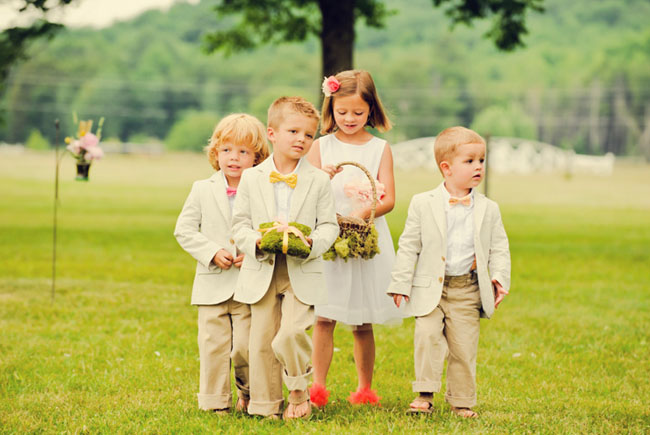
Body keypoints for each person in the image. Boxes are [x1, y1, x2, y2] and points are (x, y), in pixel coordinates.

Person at [387, 126, 511, 418]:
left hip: (467, 288)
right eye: (470, 161)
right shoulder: (423, 203)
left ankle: (461, 400)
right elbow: (409, 246)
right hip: (430, 287)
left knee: (463, 346)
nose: (478, 166)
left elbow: (499, 247)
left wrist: (499, 277)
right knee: (426, 336)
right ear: (446, 168)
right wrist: (400, 282)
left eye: (481, 160)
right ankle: (424, 394)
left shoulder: (488, 208)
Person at [231, 96, 339, 420]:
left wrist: (311, 243)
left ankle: (298, 390)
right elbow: (239, 225)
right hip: (263, 266)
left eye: (308, 134)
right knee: (261, 341)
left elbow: (329, 226)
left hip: (300, 269)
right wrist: (256, 241)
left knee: (291, 333)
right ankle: (265, 405)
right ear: (272, 133)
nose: (301, 139)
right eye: (293, 131)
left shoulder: (319, 180)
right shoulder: (251, 177)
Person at [306, 70, 403, 407]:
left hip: (365, 242)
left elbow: (389, 198)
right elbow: (305, 191)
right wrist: (320, 177)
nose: (349, 119)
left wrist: (363, 212)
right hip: (329, 239)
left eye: (358, 112)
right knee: (324, 316)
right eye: (342, 112)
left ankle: (365, 389)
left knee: (362, 321)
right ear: (330, 109)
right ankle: (317, 387)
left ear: (371, 110)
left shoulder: (380, 149)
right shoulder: (320, 147)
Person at [174, 113, 270, 414]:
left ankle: (248, 391)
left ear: (257, 157)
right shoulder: (202, 189)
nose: (234, 158)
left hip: (248, 286)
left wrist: (252, 252)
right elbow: (184, 230)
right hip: (211, 285)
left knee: (245, 347)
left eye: (243, 152)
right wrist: (212, 251)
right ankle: (214, 402)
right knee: (212, 346)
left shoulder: (263, 191)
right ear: (216, 153)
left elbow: (269, 232)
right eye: (227, 150)